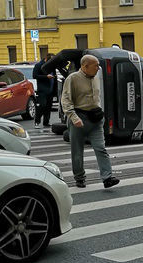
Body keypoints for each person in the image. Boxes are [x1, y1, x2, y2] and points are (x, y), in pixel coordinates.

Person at [61, 54, 119, 189]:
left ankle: (107, 177)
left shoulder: (96, 77)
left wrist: (101, 113)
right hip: (79, 118)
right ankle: (79, 178)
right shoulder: (73, 79)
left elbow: (97, 97)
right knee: (77, 151)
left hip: (95, 119)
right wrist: (74, 118)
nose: (98, 68)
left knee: (101, 148)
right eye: (96, 65)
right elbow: (66, 100)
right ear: (85, 66)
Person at [32, 52, 56, 129]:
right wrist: (46, 76)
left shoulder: (51, 66)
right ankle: (37, 122)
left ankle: (46, 122)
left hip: (50, 90)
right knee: (42, 106)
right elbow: (35, 76)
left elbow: (54, 75)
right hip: (42, 90)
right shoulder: (39, 65)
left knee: (49, 107)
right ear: (47, 59)